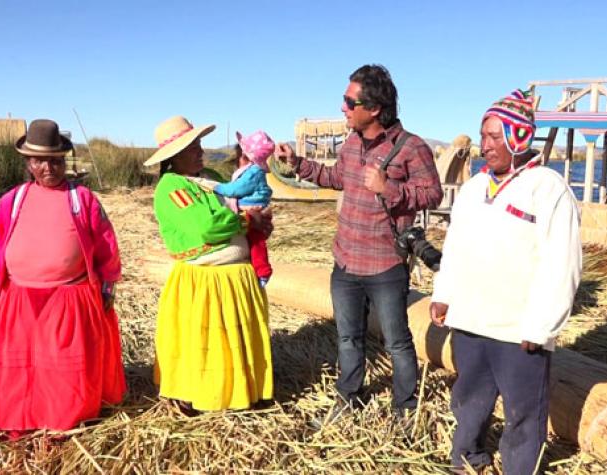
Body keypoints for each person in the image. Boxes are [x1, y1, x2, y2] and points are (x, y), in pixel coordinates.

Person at [275, 64, 442, 420]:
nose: (343, 108)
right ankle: (349, 399)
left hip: (385, 265)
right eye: (344, 100)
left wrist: (390, 189)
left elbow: (433, 194)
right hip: (346, 262)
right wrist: (297, 163)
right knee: (349, 339)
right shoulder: (352, 144)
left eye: (350, 102)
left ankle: (405, 408)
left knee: (397, 342)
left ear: (375, 108)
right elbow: (336, 178)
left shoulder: (412, 148)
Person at [429, 90, 582, 474]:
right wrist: (444, 295)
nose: (486, 145)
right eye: (484, 136)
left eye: (496, 137)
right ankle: (467, 459)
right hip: (471, 319)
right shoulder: (473, 189)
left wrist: (542, 324)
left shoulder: (547, 187)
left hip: (519, 328)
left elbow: (562, 262)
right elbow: (456, 246)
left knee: (523, 411)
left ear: (519, 138)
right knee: (468, 398)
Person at [0, 119, 126, 435]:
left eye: (55, 161)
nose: (49, 168)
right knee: (23, 363)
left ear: (64, 162)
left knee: (62, 365)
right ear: (29, 163)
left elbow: (105, 243)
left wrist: (108, 284)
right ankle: (22, 416)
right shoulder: (12, 200)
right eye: (40, 161)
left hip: (68, 296)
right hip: (19, 297)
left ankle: (63, 419)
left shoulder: (82, 199)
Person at [144, 115, 273, 413]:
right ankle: (197, 394)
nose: (199, 150)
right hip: (204, 281)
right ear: (173, 157)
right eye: (192, 147)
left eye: (199, 143)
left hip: (236, 276)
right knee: (204, 341)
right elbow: (207, 227)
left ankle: (240, 391)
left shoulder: (211, 176)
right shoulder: (171, 187)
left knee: (235, 340)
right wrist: (245, 220)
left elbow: (243, 202)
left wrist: (260, 221)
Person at [214, 130, 275, 287]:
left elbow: (235, 190)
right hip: (248, 209)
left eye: (242, 157)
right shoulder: (251, 171)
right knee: (253, 240)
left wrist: (217, 187)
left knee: (256, 240)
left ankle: (263, 271)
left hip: (253, 208)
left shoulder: (253, 172)